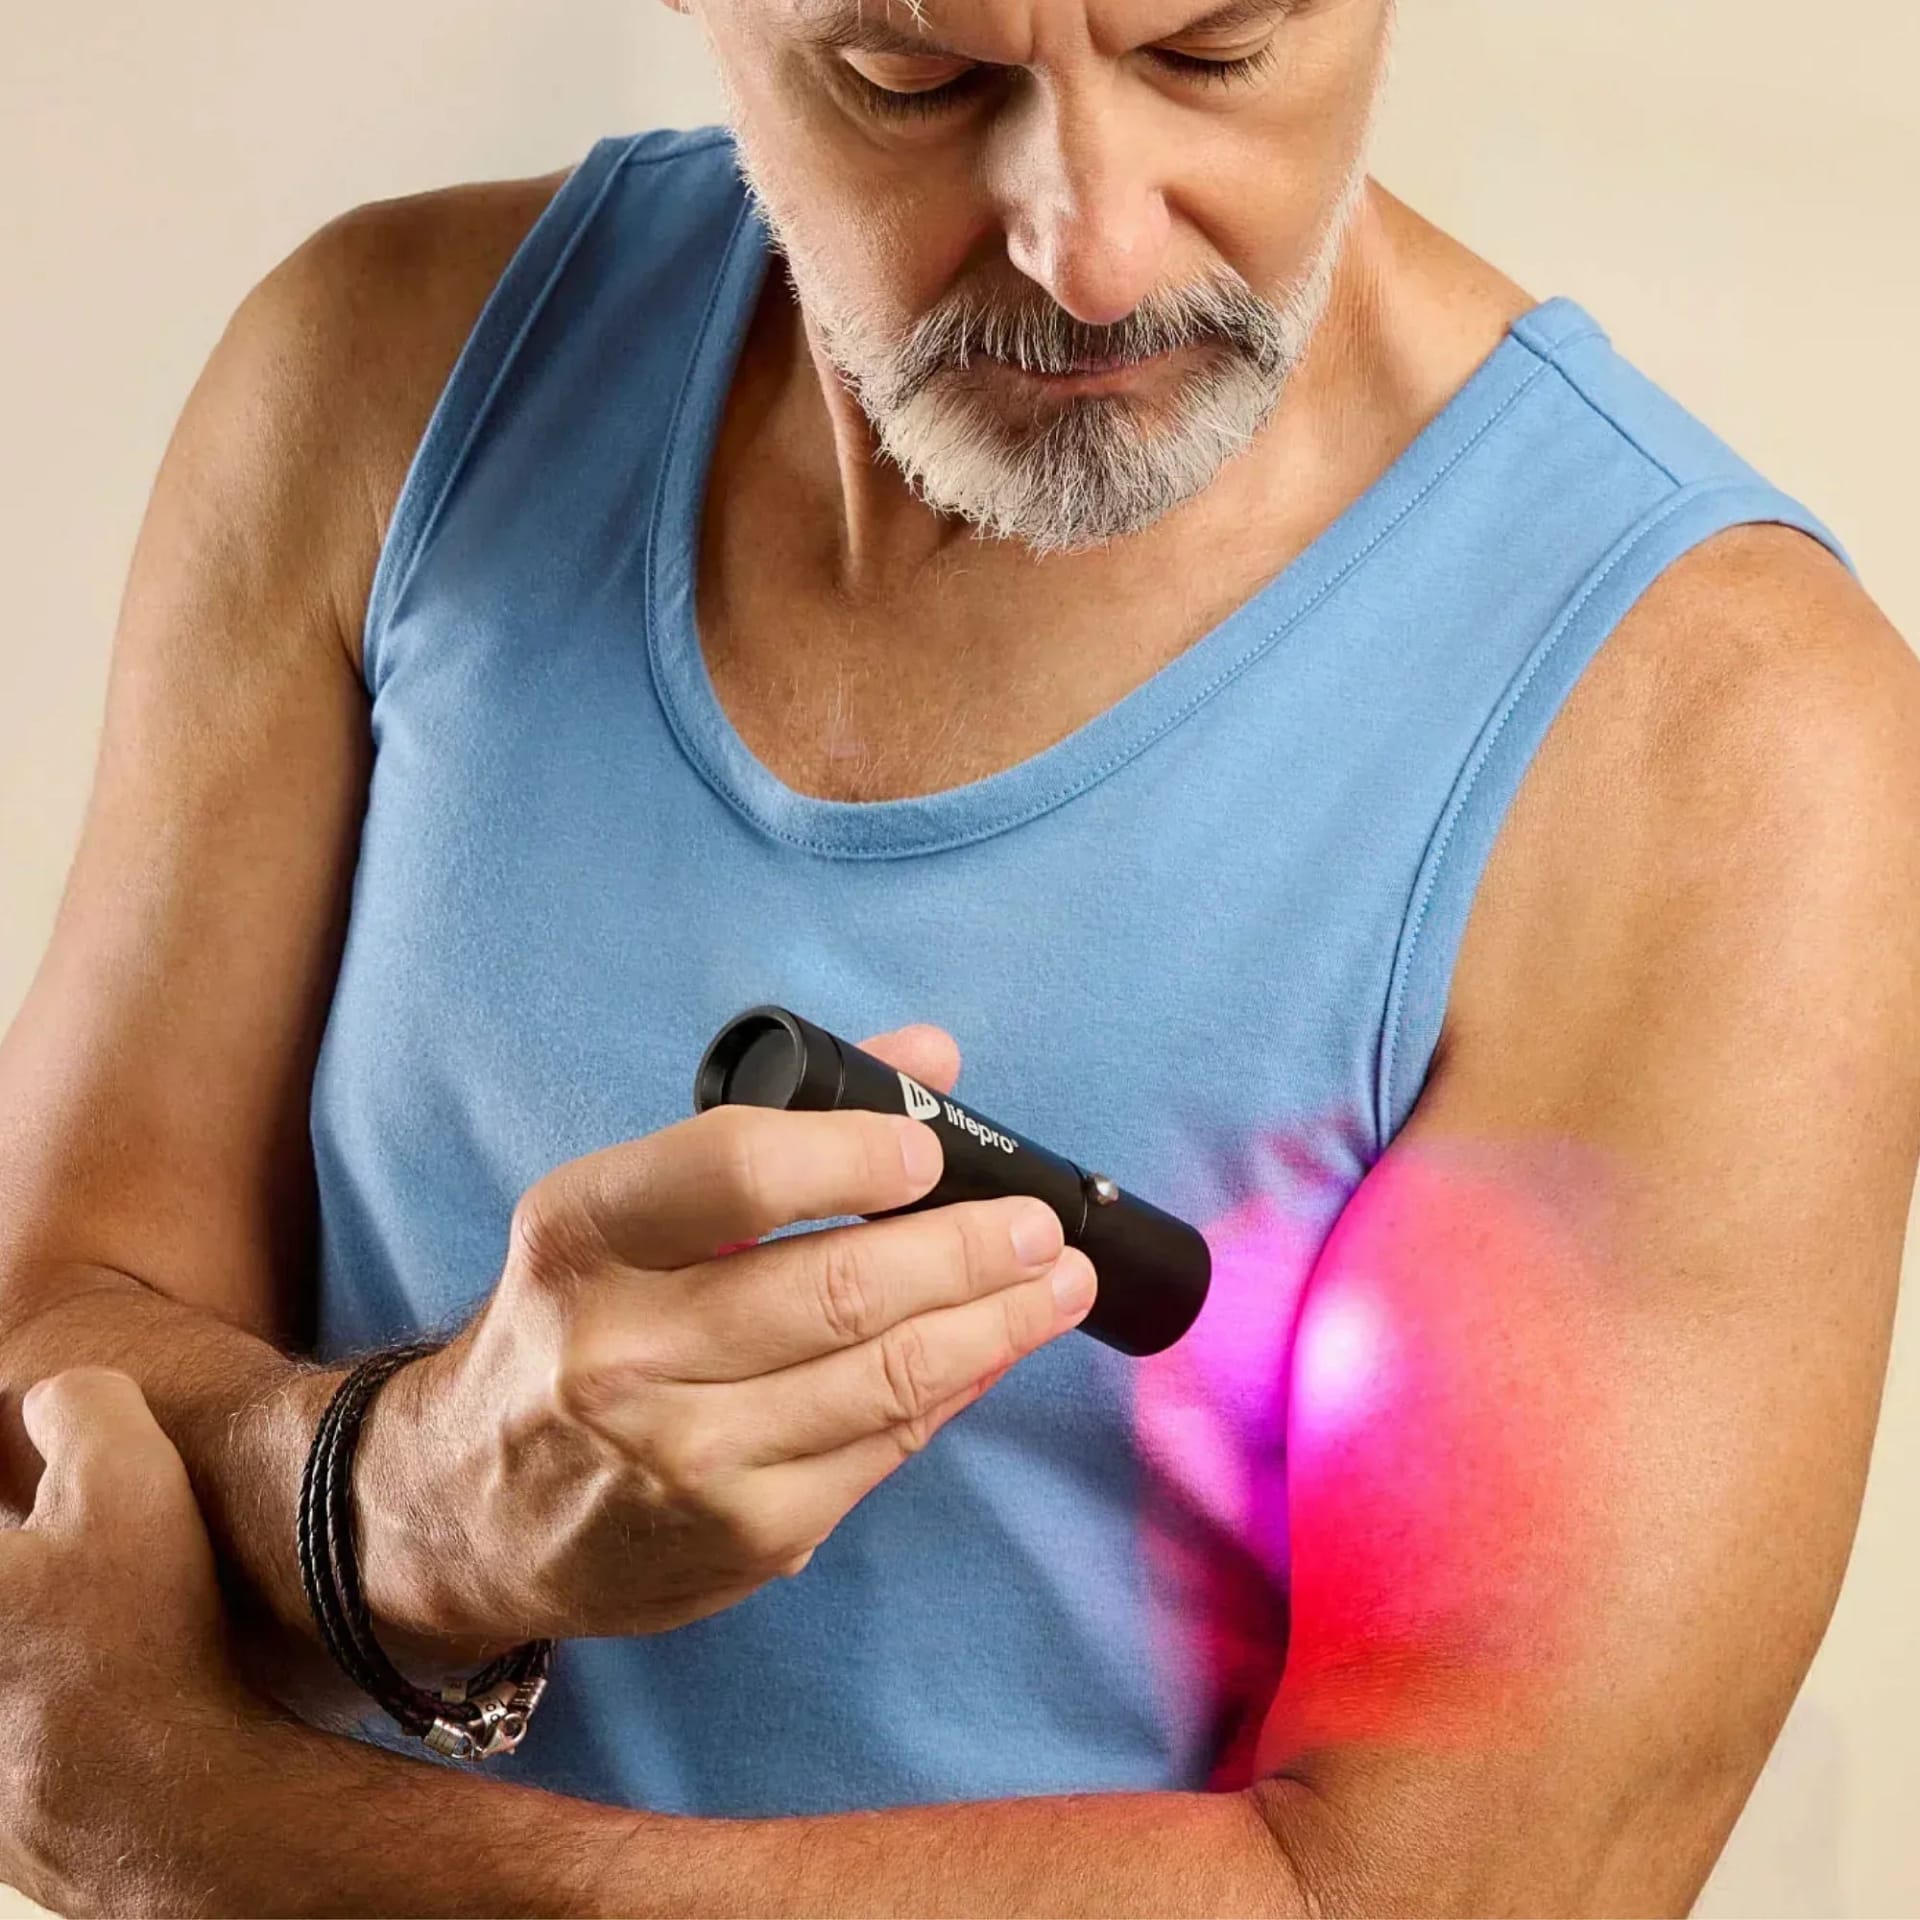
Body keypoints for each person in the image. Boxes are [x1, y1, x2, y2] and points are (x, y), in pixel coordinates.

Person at [1, 0, 1916, 1911]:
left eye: (1215, 51)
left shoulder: (1724, 739)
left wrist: (217, 1841)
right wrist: (419, 1509)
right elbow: (41, 1374)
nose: (1089, 244)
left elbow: (1441, 1895)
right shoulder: (378, 385)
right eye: (916, 80)